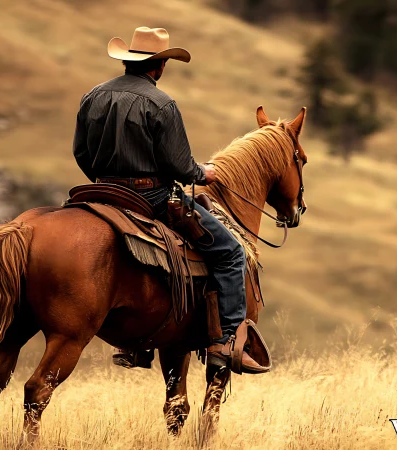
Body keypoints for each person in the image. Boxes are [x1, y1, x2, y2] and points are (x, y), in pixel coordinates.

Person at [72, 27, 266, 374]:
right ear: (160, 65)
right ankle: (224, 340)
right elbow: (179, 166)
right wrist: (202, 173)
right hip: (151, 197)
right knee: (230, 251)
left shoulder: (93, 96)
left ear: (130, 60)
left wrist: (108, 182)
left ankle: (133, 341)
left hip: (102, 192)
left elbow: (82, 153)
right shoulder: (161, 103)